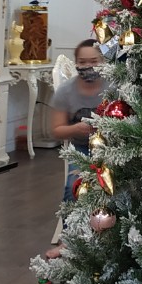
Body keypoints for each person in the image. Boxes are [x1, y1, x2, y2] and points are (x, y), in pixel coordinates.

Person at [49, 39, 106, 203]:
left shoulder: (113, 86)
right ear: (76, 63)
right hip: (82, 149)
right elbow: (56, 130)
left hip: (112, 149)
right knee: (73, 189)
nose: (88, 66)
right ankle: (69, 219)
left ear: (102, 62)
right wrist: (75, 129)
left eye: (94, 61)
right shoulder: (66, 91)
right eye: (82, 62)